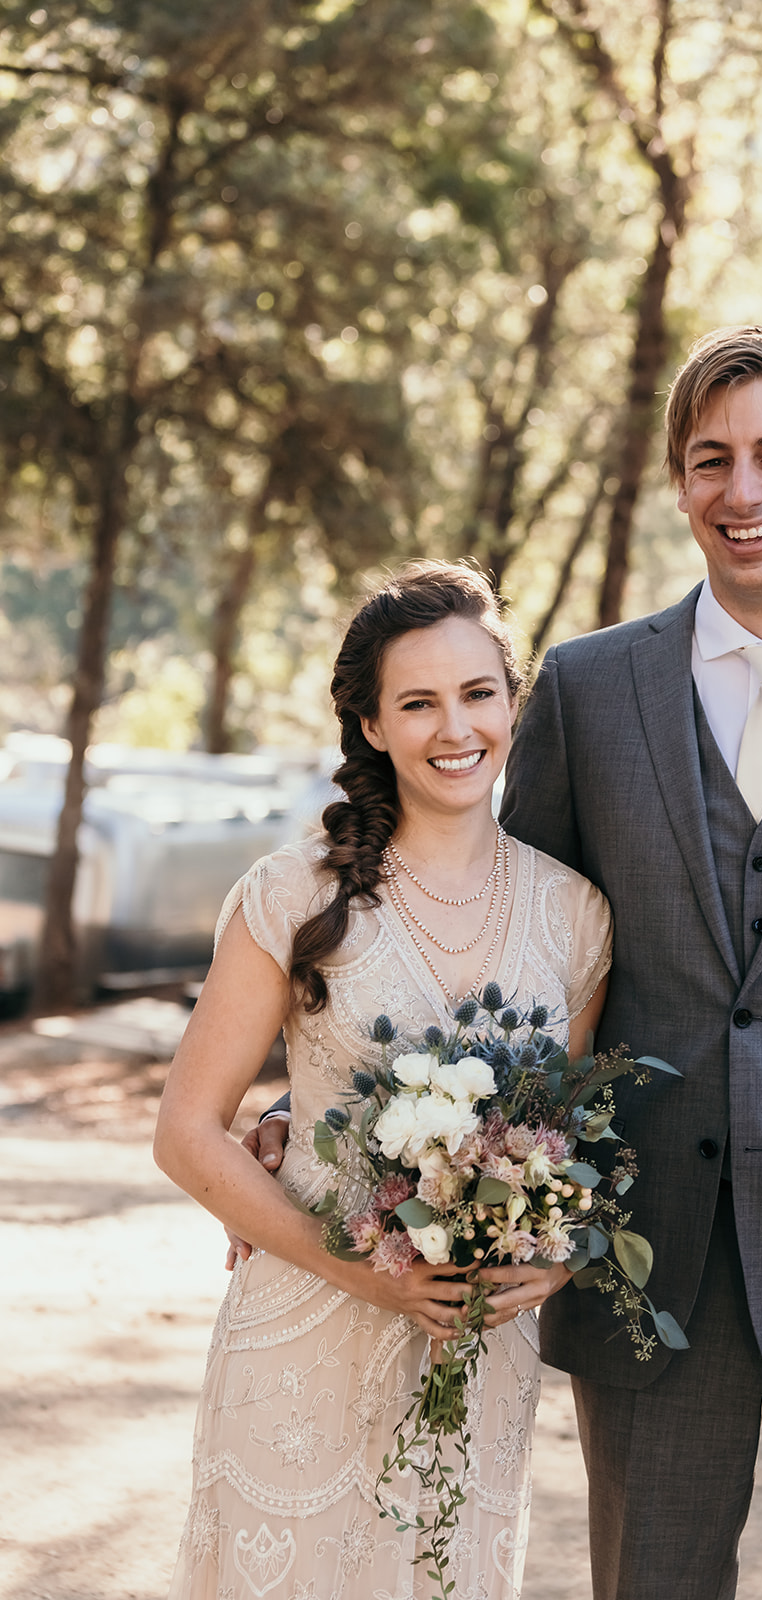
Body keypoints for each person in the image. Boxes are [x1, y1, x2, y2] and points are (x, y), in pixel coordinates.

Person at [252, 327, 762, 1599]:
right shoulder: (585, 685)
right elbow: (503, 947)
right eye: (710, 460)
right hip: (642, 1264)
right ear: (677, 484)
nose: (744, 491)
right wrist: (333, 1102)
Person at [154, 561, 611, 1600]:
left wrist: (564, 1259)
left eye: (477, 693)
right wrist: (364, 1271)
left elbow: (571, 1143)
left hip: (475, 1352)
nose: (455, 728)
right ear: (371, 725)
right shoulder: (293, 893)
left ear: (511, 702)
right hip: (304, 1336)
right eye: (417, 702)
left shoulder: (575, 914)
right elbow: (186, 1129)